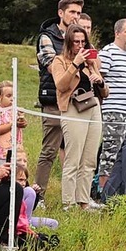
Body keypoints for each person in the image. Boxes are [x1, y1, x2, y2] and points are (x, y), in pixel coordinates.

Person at [49, 23, 104, 210]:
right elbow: (61, 85)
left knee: (90, 159)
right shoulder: (59, 61)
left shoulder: (92, 62)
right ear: (68, 43)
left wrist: (100, 80)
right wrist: (75, 64)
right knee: (73, 158)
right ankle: (69, 203)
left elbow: (105, 92)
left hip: (93, 106)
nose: (80, 46)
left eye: (83, 42)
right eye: (76, 42)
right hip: (73, 107)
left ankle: (83, 201)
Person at [34, 0, 86, 197]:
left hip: (78, 102)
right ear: (60, 13)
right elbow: (51, 66)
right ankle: (38, 196)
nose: (75, 16)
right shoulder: (47, 37)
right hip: (53, 99)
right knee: (49, 151)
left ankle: (76, 196)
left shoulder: (79, 37)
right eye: (72, 12)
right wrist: (75, 63)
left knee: (78, 152)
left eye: (78, 13)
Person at [95, 19, 126, 192]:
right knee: (110, 153)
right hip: (114, 110)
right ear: (117, 33)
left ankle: (124, 191)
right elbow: (99, 80)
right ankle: (104, 192)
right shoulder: (108, 52)